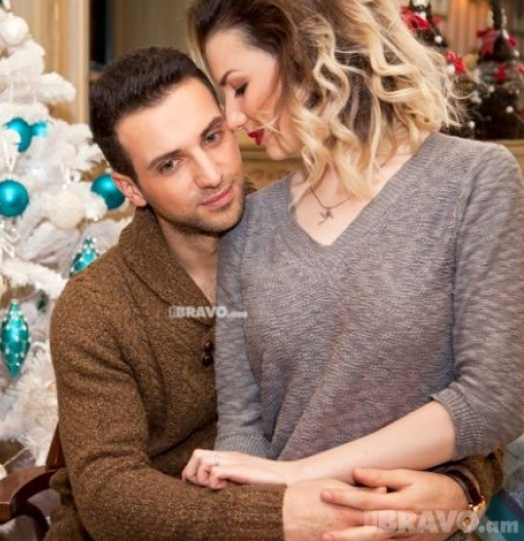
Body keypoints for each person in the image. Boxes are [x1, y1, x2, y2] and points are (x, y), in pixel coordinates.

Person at [47, 46, 503, 541]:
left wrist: (462, 487)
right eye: (171, 164)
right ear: (131, 188)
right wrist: (281, 515)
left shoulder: (321, 233)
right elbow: (108, 495)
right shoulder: (96, 307)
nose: (211, 175)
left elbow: (470, 392)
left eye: (213, 137)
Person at [181, 0, 524, 514]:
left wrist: (301, 474)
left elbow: (494, 398)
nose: (232, 117)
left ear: (303, 52)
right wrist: (281, 511)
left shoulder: (474, 181)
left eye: (240, 87)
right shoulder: (249, 225)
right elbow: (243, 430)